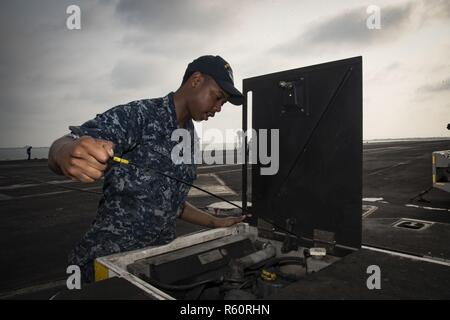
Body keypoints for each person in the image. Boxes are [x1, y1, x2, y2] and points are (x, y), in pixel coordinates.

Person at [48, 55, 246, 283]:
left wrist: (214, 222)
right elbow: (68, 142)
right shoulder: (140, 115)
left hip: (154, 265)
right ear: (196, 80)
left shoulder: (189, 136)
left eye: (222, 103)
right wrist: (64, 153)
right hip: (107, 265)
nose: (218, 108)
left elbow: (171, 202)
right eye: (218, 97)